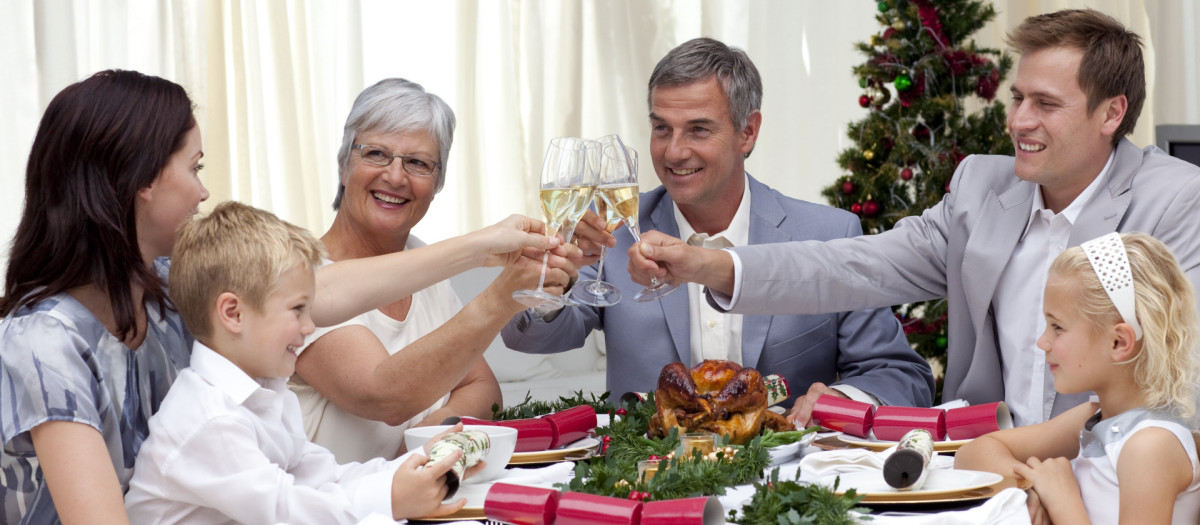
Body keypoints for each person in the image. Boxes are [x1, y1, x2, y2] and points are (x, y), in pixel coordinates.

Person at [0, 70, 557, 524]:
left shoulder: (164, 283)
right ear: (141, 178)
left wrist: (485, 247)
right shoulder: (46, 340)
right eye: (193, 168)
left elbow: (321, 290)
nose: (204, 190)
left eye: (418, 164)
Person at [628, 9, 1200, 427]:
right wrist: (706, 265)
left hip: (1113, 473)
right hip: (977, 469)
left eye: (1045, 105)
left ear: (1112, 113)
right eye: (1017, 98)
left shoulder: (1173, 201)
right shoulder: (982, 187)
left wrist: (1038, 466)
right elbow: (854, 266)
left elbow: (1175, 384)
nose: (1019, 121)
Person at [503, 37, 934, 426]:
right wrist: (560, 272)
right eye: (661, 128)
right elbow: (529, 336)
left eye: (698, 129)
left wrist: (841, 396)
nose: (673, 151)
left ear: (748, 132)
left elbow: (904, 376)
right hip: (650, 482)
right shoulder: (614, 233)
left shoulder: (829, 234)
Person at [125, 201, 476, 523]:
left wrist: (412, 466)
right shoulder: (207, 420)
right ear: (233, 313)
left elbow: (327, 479)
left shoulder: (270, 395)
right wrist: (393, 498)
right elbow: (289, 512)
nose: (309, 327)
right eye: (297, 310)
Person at [289, 78, 577, 463]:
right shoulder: (298, 274)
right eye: (375, 154)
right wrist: (500, 298)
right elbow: (383, 394)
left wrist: (425, 441)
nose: (395, 176)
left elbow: (484, 387)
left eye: (418, 163)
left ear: (438, 182)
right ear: (344, 165)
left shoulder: (420, 260)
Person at [956, 232, 1200, 525]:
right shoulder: (1095, 418)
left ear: (1119, 342)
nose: (1042, 342)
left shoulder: (1150, 446)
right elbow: (973, 454)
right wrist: (1033, 490)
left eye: (1057, 327)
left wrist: (1062, 501)